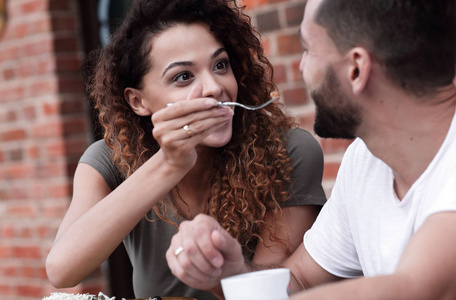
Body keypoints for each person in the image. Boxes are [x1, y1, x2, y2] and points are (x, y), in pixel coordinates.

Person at [166, 0, 456, 299]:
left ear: (356, 69)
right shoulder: (364, 162)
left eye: (308, 49)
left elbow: (415, 289)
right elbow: (302, 280)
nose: (302, 66)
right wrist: (231, 272)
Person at [45, 0, 327, 299]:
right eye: (183, 76)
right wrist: (169, 163)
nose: (213, 87)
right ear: (138, 101)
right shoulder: (108, 160)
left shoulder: (288, 150)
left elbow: (278, 288)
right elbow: (63, 270)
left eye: (220, 65)